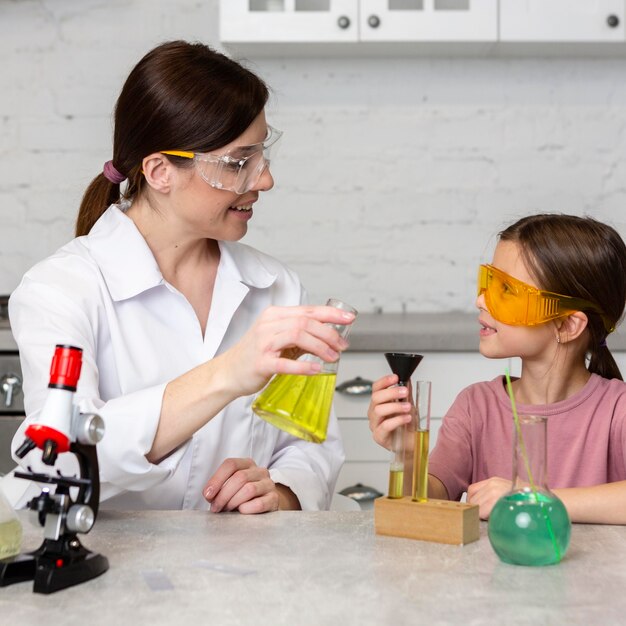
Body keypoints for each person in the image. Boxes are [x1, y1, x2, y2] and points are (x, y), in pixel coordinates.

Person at [8, 40, 354, 513]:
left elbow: (309, 443)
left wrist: (281, 490)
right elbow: (61, 462)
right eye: (238, 163)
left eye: (262, 155)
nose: (264, 180)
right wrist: (227, 374)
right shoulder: (60, 290)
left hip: (239, 572)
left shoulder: (277, 288)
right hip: (105, 572)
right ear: (159, 171)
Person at [368, 213, 626, 524]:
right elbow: (427, 502)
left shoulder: (617, 410)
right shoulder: (476, 407)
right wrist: (408, 454)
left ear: (567, 324)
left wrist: (532, 499)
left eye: (506, 290)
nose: (480, 300)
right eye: (487, 282)